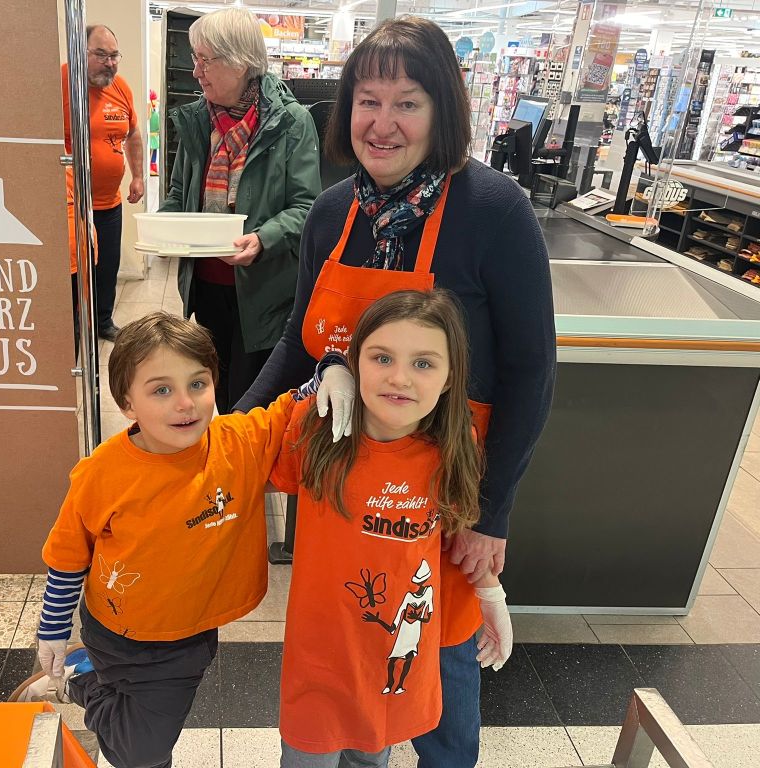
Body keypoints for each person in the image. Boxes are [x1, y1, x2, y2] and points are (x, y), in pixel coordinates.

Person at [236, 17, 555, 768]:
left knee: (440, 685)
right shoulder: (332, 212)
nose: (383, 124)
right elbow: (300, 343)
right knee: (352, 670)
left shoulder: (493, 212)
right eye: (368, 101)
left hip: (444, 499)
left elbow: (532, 372)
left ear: (443, 111)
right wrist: (231, 435)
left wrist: (491, 513)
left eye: (407, 103)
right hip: (344, 497)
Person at [34, 312, 353, 768]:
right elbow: (68, 557)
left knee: (145, 733)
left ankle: (86, 678)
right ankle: (81, 680)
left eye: (198, 384)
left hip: (190, 634)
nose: (185, 403)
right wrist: (52, 630)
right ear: (127, 404)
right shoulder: (102, 473)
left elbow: (289, 405)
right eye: (161, 390)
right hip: (116, 631)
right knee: (141, 751)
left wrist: (333, 368)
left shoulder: (236, 441)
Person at [271, 290, 512, 767]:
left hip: (389, 664)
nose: (399, 378)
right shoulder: (317, 430)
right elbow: (244, 444)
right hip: (319, 660)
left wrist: (491, 596)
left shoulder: (454, 446)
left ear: (449, 378)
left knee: (371, 757)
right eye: (381, 358)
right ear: (356, 363)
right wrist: (325, 371)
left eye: (423, 364)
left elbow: (458, 534)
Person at [157, 7, 321, 414]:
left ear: (241, 62)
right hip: (205, 285)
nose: (196, 71)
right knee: (218, 386)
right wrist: (162, 227)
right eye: (195, 58)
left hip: (262, 293)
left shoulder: (291, 123)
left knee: (251, 401)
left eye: (206, 60)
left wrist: (264, 239)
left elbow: (307, 206)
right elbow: (179, 193)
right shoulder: (197, 120)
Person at [63, 25, 144, 342]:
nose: (109, 63)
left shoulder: (120, 88)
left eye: (114, 56)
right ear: (79, 52)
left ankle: (102, 321)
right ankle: (73, 327)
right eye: (100, 55)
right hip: (71, 205)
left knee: (107, 268)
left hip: (109, 203)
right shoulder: (59, 84)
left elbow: (133, 133)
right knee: (75, 272)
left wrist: (137, 175)